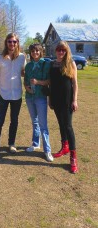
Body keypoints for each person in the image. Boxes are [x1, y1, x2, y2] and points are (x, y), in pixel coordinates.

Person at [0, 33, 26, 156]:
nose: (12, 44)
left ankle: (11, 144)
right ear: (6, 43)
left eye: (14, 41)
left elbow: (23, 72)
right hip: (3, 94)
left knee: (14, 121)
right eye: (10, 41)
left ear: (17, 43)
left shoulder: (22, 57)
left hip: (17, 95)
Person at [49, 41, 78, 173]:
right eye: (59, 50)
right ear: (56, 51)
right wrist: (50, 99)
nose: (61, 52)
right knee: (61, 124)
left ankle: (73, 157)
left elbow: (75, 84)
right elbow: (51, 83)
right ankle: (64, 147)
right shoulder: (52, 64)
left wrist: (75, 100)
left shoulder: (71, 63)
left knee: (68, 126)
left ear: (66, 51)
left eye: (63, 50)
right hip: (56, 99)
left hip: (67, 100)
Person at [24, 43, 53, 162]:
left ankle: (47, 150)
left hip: (40, 97)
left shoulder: (46, 64)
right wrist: (27, 87)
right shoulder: (28, 65)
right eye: (32, 51)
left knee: (43, 124)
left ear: (41, 52)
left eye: (37, 51)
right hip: (29, 97)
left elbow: (49, 81)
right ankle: (36, 143)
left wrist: (37, 82)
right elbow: (25, 80)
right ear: (30, 53)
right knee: (34, 122)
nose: (35, 53)